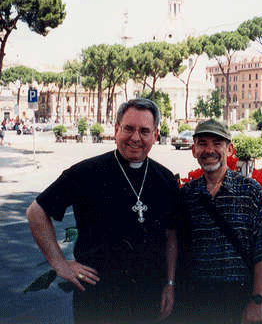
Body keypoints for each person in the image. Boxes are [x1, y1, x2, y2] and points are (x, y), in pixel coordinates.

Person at [26, 98, 179, 324]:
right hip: (98, 297)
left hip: (148, 296)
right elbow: (36, 212)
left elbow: (171, 235)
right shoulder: (87, 172)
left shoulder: (165, 178)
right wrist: (59, 263)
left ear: (155, 136)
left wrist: (170, 283)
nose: (135, 138)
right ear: (116, 129)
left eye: (144, 131)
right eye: (128, 128)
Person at [179, 119, 262, 324]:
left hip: (240, 299)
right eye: (202, 143)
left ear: (229, 149)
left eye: (217, 143)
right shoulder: (186, 195)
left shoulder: (250, 192)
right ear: (194, 150)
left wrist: (257, 301)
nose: (209, 150)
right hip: (196, 301)